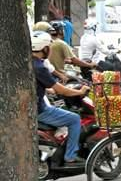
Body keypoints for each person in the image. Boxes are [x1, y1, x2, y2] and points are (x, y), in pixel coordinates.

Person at [31, 31, 90, 165]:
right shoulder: (40, 67)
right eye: (49, 47)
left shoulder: (29, 62)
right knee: (74, 119)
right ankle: (70, 156)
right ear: (45, 48)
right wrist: (80, 91)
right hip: (40, 109)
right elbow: (62, 90)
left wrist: (47, 88)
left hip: (33, 105)